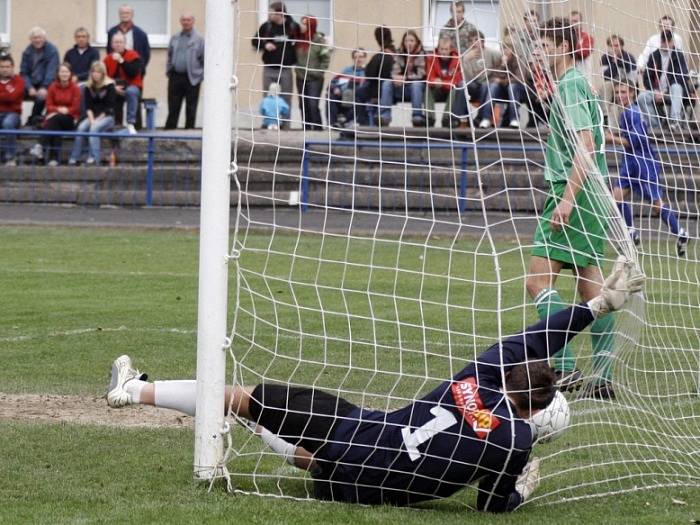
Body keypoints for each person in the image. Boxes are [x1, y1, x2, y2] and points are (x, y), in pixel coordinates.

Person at [106, 256, 643, 510]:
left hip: (358, 430)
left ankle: (134, 392)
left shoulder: (480, 375)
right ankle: (250, 432)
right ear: (540, 424)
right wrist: (523, 486)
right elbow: (490, 507)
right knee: (308, 453)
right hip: (354, 484)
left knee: (246, 398)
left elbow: (533, 338)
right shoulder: (513, 441)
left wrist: (596, 305)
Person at [526, 17, 615, 399]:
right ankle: (605, 376)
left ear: (562, 47)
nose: (539, 51)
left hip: (575, 193)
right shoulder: (572, 83)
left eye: (544, 44)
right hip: (591, 194)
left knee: (537, 281)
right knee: (591, 287)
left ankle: (563, 368)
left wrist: (566, 199)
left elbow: (586, 146)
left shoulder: (572, 83)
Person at [605, 79, 689, 256]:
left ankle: (680, 233)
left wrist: (610, 138)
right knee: (616, 197)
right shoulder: (625, 113)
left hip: (644, 163)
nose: (620, 95)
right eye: (618, 92)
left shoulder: (634, 113)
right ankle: (631, 235)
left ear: (632, 93)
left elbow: (633, 142)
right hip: (630, 162)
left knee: (657, 205)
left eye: (624, 92)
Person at [638, 30, 696, 131]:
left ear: (672, 42)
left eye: (668, 40)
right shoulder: (654, 56)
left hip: (672, 93)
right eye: (663, 40)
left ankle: (675, 121)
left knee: (676, 87)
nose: (665, 43)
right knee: (641, 97)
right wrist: (655, 91)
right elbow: (647, 77)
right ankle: (656, 126)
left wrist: (665, 92)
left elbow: (681, 77)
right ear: (660, 41)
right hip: (657, 92)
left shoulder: (678, 55)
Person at [252, 2, 300, 123]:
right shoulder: (266, 27)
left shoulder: (293, 27)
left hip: (286, 69)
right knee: (268, 97)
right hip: (269, 68)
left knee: (286, 98)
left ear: (279, 13)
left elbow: (301, 43)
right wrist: (265, 44)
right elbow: (254, 41)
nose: (269, 14)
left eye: (271, 12)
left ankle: (285, 125)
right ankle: (269, 123)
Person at [69, 61, 116, 166]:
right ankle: (74, 157)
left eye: (98, 72)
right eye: (94, 72)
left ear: (103, 73)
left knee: (93, 129)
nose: (96, 74)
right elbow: (88, 107)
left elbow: (109, 108)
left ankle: (94, 158)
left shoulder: (110, 86)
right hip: (92, 115)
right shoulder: (88, 87)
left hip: (107, 117)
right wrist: (91, 120)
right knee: (81, 128)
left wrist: (96, 121)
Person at [34, 63, 80, 166]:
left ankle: (40, 146)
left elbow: (76, 107)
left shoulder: (75, 88)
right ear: (58, 74)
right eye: (62, 71)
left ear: (70, 73)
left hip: (70, 119)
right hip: (55, 119)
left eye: (67, 72)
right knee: (55, 125)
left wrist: (64, 111)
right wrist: (59, 110)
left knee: (54, 120)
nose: (64, 74)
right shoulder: (52, 87)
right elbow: (48, 105)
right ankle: (53, 159)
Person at [165, 13, 205, 130]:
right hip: (175, 76)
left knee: (191, 107)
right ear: (180, 22)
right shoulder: (175, 37)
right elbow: (170, 55)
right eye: (183, 20)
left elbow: (204, 59)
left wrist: (200, 76)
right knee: (173, 106)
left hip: (192, 78)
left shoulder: (199, 39)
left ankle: (189, 131)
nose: (186, 22)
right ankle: (169, 131)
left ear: (193, 21)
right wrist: (169, 71)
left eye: (188, 20)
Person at [381, 30, 427, 127]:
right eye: (406, 41)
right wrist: (395, 77)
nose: (409, 43)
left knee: (416, 84)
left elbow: (421, 74)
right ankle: (385, 116)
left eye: (411, 40)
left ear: (416, 42)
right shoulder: (398, 53)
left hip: (416, 90)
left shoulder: (422, 54)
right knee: (387, 83)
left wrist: (404, 78)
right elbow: (394, 70)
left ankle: (417, 117)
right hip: (400, 88)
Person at [294, 15, 331, 130]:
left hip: (315, 79)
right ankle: (306, 129)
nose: (301, 26)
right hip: (300, 77)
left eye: (304, 24)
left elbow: (326, 58)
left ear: (311, 26)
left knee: (313, 105)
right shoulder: (298, 40)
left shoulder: (319, 40)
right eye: (301, 23)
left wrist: (319, 72)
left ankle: (318, 130)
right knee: (303, 105)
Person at [461, 30, 503, 129]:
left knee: (486, 86)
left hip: (487, 86)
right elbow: (467, 78)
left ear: (483, 42)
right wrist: (465, 60)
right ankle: (463, 118)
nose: (474, 43)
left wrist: (498, 71)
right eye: (471, 41)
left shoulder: (492, 53)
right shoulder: (466, 55)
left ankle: (480, 117)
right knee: (464, 86)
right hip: (473, 86)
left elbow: (503, 63)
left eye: (477, 40)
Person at [104, 33, 143, 135]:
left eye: (120, 42)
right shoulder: (107, 59)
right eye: (116, 42)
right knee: (108, 92)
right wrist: (113, 87)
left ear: (125, 44)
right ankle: (114, 123)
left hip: (132, 86)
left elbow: (133, 73)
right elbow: (104, 77)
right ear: (112, 45)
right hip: (115, 86)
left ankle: (130, 123)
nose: (118, 45)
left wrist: (121, 60)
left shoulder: (133, 55)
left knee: (130, 92)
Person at [19, 27, 59, 126]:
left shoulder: (52, 51)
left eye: (40, 37)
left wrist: (44, 87)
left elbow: (52, 71)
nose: (37, 40)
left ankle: (32, 120)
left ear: (44, 38)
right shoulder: (27, 52)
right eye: (34, 38)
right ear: (31, 39)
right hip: (31, 83)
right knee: (15, 92)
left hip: (46, 83)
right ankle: (14, 119)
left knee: (41, 97)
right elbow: (24, 73)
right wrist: (29, 87)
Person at [425, 37, 466, 128]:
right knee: (428, 88)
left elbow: (457, 80)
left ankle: (446, 118)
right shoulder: (431, 58)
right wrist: (435, 81)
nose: (443, 52)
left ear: (450, 49)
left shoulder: (457, 59)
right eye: (441, 49)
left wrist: (442, 82)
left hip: (450, 91)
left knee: (456, 89)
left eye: (446, 49)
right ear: (438, 49)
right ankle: (430, 118)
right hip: (437, 89)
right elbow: (429, 78)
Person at [601, 35, 636, 129]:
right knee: (606, 86)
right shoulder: (605, 58)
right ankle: (605, 117)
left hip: (627, 84)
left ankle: (624, 123)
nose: (614, 48)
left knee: (622, 91)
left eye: (616, 45)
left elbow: (632, 77)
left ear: (621, 46)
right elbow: (606, 76)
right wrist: (613, 63)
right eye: (611, 46)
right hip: (613, 85)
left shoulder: (629, 58)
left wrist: (619, 61)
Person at [327, 48, 368, 128]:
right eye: (356, 57)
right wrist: (335, 88)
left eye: (361, 57)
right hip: (343, 95)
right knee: (331, 96)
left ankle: (345, 120)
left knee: (355, 94)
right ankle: (333, 124)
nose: (358, 59)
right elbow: (333, 82)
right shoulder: (347, 70)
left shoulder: (368, 71)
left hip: (360, 96)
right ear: (353, 59)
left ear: (365, 58)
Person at [107, 4, 151, 76]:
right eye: (122, 13)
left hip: (134, 73)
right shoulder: (112, 32)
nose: (125, 15)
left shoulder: (141, 34)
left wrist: (140, 68)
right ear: (119, 15)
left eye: (127, 13)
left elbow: (146, 54)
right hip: (116, 72)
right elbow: (109, 50)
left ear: (132, 15)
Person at [364, 26, 395, 127]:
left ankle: (364, 124)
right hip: (385, 88)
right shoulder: (394, 52)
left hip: (378, 90)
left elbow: (369, 74)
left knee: (359, 92)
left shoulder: (380, 56)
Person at [0, 53, 24, 166]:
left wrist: (5, 95)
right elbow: (9, 96)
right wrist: (7, 93)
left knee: (8, 123)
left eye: (7, 67)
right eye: (2, 67)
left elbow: (13, 97)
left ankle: (11, 157)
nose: (5, 70)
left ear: (12, 67)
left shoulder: (19, 80)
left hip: (13, 114)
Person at [570, 11, 594, 83]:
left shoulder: (586, 37)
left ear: (580, 23)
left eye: (575, 21)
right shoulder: (565, 38)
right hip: (569, 75)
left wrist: (569, 51)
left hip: (584, 75)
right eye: (570, 21)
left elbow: (583, 54)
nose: (572, 23)